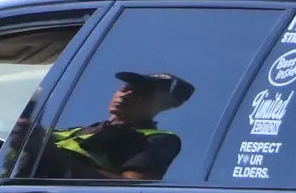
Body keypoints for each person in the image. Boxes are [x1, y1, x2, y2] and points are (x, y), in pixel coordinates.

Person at [42, 71, 195, 182]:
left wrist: (55, 156)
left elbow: (133, 190)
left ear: (170, 104)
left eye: (140, 93)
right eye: (125, 88)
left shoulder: (157, 140)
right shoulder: (75, 131)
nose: (126, 95)